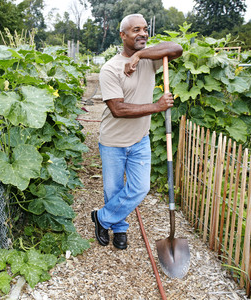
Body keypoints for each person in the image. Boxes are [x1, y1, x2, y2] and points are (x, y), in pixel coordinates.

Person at [91, 14, 183, 250]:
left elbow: (176, 48)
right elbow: (117, 109)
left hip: (140, 140)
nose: (142, 33)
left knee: (139, 188)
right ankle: (120, 228)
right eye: (135, 30)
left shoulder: (150, 59)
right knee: (114, 190)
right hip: (113, 141)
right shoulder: (110, 69)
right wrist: (157, 106)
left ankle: (102, 218)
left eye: (144, 29)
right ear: (123, 35)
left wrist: (140, 54)